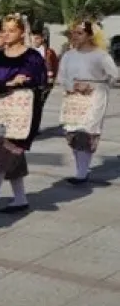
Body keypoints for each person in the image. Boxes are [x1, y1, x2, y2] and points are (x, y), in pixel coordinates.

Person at [0, 13, 47, 214]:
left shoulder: (32, 56)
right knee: (4, 150)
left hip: (23, 109)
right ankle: (18, 199)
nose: (7, 34)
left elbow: (38, 81)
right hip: (1, 108)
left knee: (7, 150)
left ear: (22, 33)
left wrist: (18, 82)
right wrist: (10, 82)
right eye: (4, 30)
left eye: (12, 30)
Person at [56, 21, 117, 185]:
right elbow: (61, 77)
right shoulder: (68, 55)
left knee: (86, 132)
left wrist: (96, 85)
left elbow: (114, 75)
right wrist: (73, 85)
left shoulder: (101, 55)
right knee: (72, 133)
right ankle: (80, 169)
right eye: (73, 33)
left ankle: (81, 173)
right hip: (73, 97)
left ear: (90, 35)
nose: (75, 36)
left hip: (94, 96)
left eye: (79, 33)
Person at [32, 32, 60, 108]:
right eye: (33, 38)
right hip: (32, 80)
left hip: (46, 80)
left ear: (42, 39)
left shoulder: (49, 52)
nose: (34, 41)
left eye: (37, 38)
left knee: (42, 101)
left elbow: (55, 65)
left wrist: (53, 77)